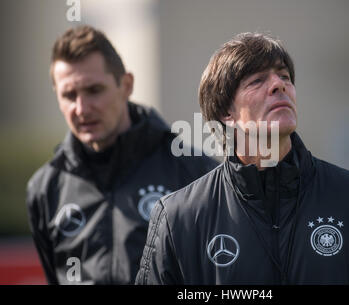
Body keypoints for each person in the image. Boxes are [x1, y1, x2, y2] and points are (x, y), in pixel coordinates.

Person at [135, 32, 349, 284]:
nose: (278, 85)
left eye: (284, 77)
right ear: (226, 114)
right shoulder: (178, 218)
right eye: (257, 80)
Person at [26, 25, 217, 284]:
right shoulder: (45, 188)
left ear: (126, 85)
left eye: (94, 90)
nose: (81, 109)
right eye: (69, 95)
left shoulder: (195, 173)